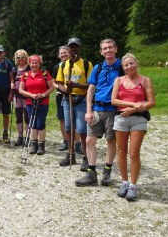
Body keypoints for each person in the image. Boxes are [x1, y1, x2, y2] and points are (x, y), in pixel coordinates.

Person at [75, 39, 123, 187]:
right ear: (101, 52)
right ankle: (91, 173)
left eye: (110, 47)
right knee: (90, 140)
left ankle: (107, 171)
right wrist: (89, 110)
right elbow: (90, 89)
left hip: (114, 111)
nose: (108, 50)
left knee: (111, 141)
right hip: (97, 109)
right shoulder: (98, 67)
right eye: (105, 48)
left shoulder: (122, 67)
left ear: (115, 49)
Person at [112, 53, 155, 201]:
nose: (129, 67)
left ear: (136, 63)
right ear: (123, 67)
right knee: (121, 150)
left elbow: (151, 102)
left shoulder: (145, 80)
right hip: (121, 118)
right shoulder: (119, 80)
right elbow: (114, 100)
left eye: (132, 63)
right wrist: (132, 104)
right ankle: (124, 182)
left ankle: (133, 185)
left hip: (138, 119)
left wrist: (135, 110)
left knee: (134, 153)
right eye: (126, 65)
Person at [56, 37, 93, 170]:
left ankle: (86, 157)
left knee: (82, 130)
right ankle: (70, 154)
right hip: (67, 99)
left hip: (81, 99)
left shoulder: (86, 64)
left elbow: (91, 85)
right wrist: (64, 89)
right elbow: (59, 83)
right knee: (69, 128)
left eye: (76, 47)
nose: (73, 50)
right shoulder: (64, 65)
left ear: (79, 48)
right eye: (71, 47)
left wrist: (76, 85)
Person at [18, 55, 54, 154]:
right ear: (29, 64)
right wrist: (31, 95)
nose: (34, 65)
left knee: (40, 123)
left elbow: (51, 87)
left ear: (39, 64)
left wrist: (43, 95)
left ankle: (41, 145)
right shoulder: (25, 75)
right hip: (30, 102)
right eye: (32, 63)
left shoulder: (45, 73)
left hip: (43, 102)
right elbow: (21, 90)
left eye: (36, 63)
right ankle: (34, 145)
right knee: (32, 124)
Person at [52, 46, 84, 153]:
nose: (63, 55)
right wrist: (63, 89)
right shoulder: (57, 67)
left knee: (76, 120)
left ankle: (78, 142)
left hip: (76, 96)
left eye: (65, 52)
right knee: (63, 120)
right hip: (61, 95)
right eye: (61, 53)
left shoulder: (77, 65)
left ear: (69, 53)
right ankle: (66, 141)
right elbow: (54, 82)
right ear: (58, 55)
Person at [11, 49, 31, 146]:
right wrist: (12, 84)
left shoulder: (29, 68)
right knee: (18, 116)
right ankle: (20, 137)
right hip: (17, 96)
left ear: (25, 57)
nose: (20, 59)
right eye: (18, 57)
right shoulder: (14, 69)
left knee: (27, 116)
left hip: (27, 96)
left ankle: (27, 137)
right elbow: (12, 80)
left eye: (22, 57)